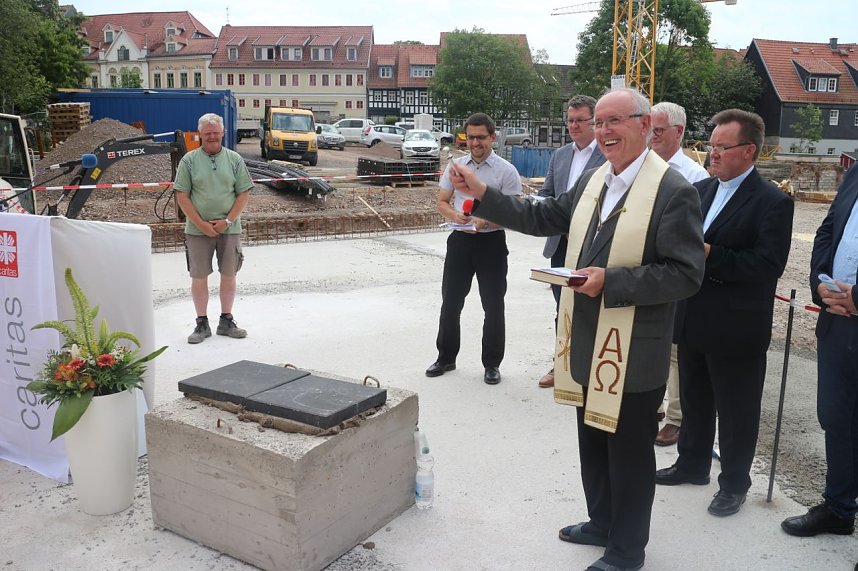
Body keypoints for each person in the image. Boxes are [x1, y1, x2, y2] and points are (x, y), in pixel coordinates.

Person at [448, 88, 705, 571]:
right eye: (600, 122)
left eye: (615, 122)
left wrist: (614, 281)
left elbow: (685, 273)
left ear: (646, 125)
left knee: (628, 452)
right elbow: (543, 215)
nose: (604, 131)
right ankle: (601, 522)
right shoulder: (594, 178)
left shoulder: (673, 190)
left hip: (632, 348)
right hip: (585, 336)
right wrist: (482, 193)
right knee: (592, 439)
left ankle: (627, 549)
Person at [655, 109, 794, 518]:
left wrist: (712, 255)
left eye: (721, 147)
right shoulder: (700, 191)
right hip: (693, 314)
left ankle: (733, 484)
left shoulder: (773, 202)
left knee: (737, 410)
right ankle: (692, 463)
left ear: (749, 151)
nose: (712, 154)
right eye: (711, 145)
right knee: (695, 398)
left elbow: (767, 266)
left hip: (736, 325)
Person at [781, 163, 858, 538]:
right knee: (837, 419)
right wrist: (821, 286)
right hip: (838, 322)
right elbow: (827, 230)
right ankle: (839, 508)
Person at [425, 112, 522, 385]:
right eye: (471, 137)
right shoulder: (455, 167)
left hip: (491, 242)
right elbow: (442, 201)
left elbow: (515, 209)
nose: (475, 143)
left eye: (481, 137)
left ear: (493, 137)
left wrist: (486, 220)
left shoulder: (506, 170)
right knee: (451, 302)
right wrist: (455, 216)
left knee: (493, 305)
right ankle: (445, 358)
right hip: (460, 241)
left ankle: (492, 364)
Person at [648, 101, 710, 446]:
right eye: (650, 129)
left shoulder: (694, 176)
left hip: (673, 270)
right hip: (645, 269)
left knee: (674, 350)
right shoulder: (643, 166)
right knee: (651, 340)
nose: (652, 137)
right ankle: (654, 404)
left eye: (658, 130)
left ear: (679, 132)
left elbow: (696, 232)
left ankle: (676, 417)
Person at [536, 95, 606, 389]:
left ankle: (593, 367)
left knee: (593, 307)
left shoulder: (607, 155)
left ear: (594, 122)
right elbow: (549, 193)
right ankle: (561, 363)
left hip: (594, 245)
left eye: (580, 120)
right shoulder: (560, 155)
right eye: (570, 120)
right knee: (562, 304)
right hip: (561, 245)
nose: (573, 125)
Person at [174, 113, 254, 344]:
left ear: (222, 133)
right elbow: (182, 195)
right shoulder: (188, 161)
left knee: (229, 274)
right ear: (200, 133)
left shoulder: (234, 159)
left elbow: (243, 193)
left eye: (215, 132)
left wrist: (227, 221)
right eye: (207, 132)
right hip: (197, 230)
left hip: (229, 228)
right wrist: (201, 224)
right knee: (199, 277)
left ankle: (226, 321)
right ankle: (201, 324)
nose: (211, 136)